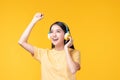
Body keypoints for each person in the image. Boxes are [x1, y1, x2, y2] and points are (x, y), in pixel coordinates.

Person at [18, 13, 80, 80]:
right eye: (51, 32)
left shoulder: (74, 53)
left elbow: (73, 70)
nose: (54, 35)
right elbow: (21, 42)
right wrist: (34, 21)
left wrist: (66, 49)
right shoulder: (43, 53)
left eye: (58, 31)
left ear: (66, 35)